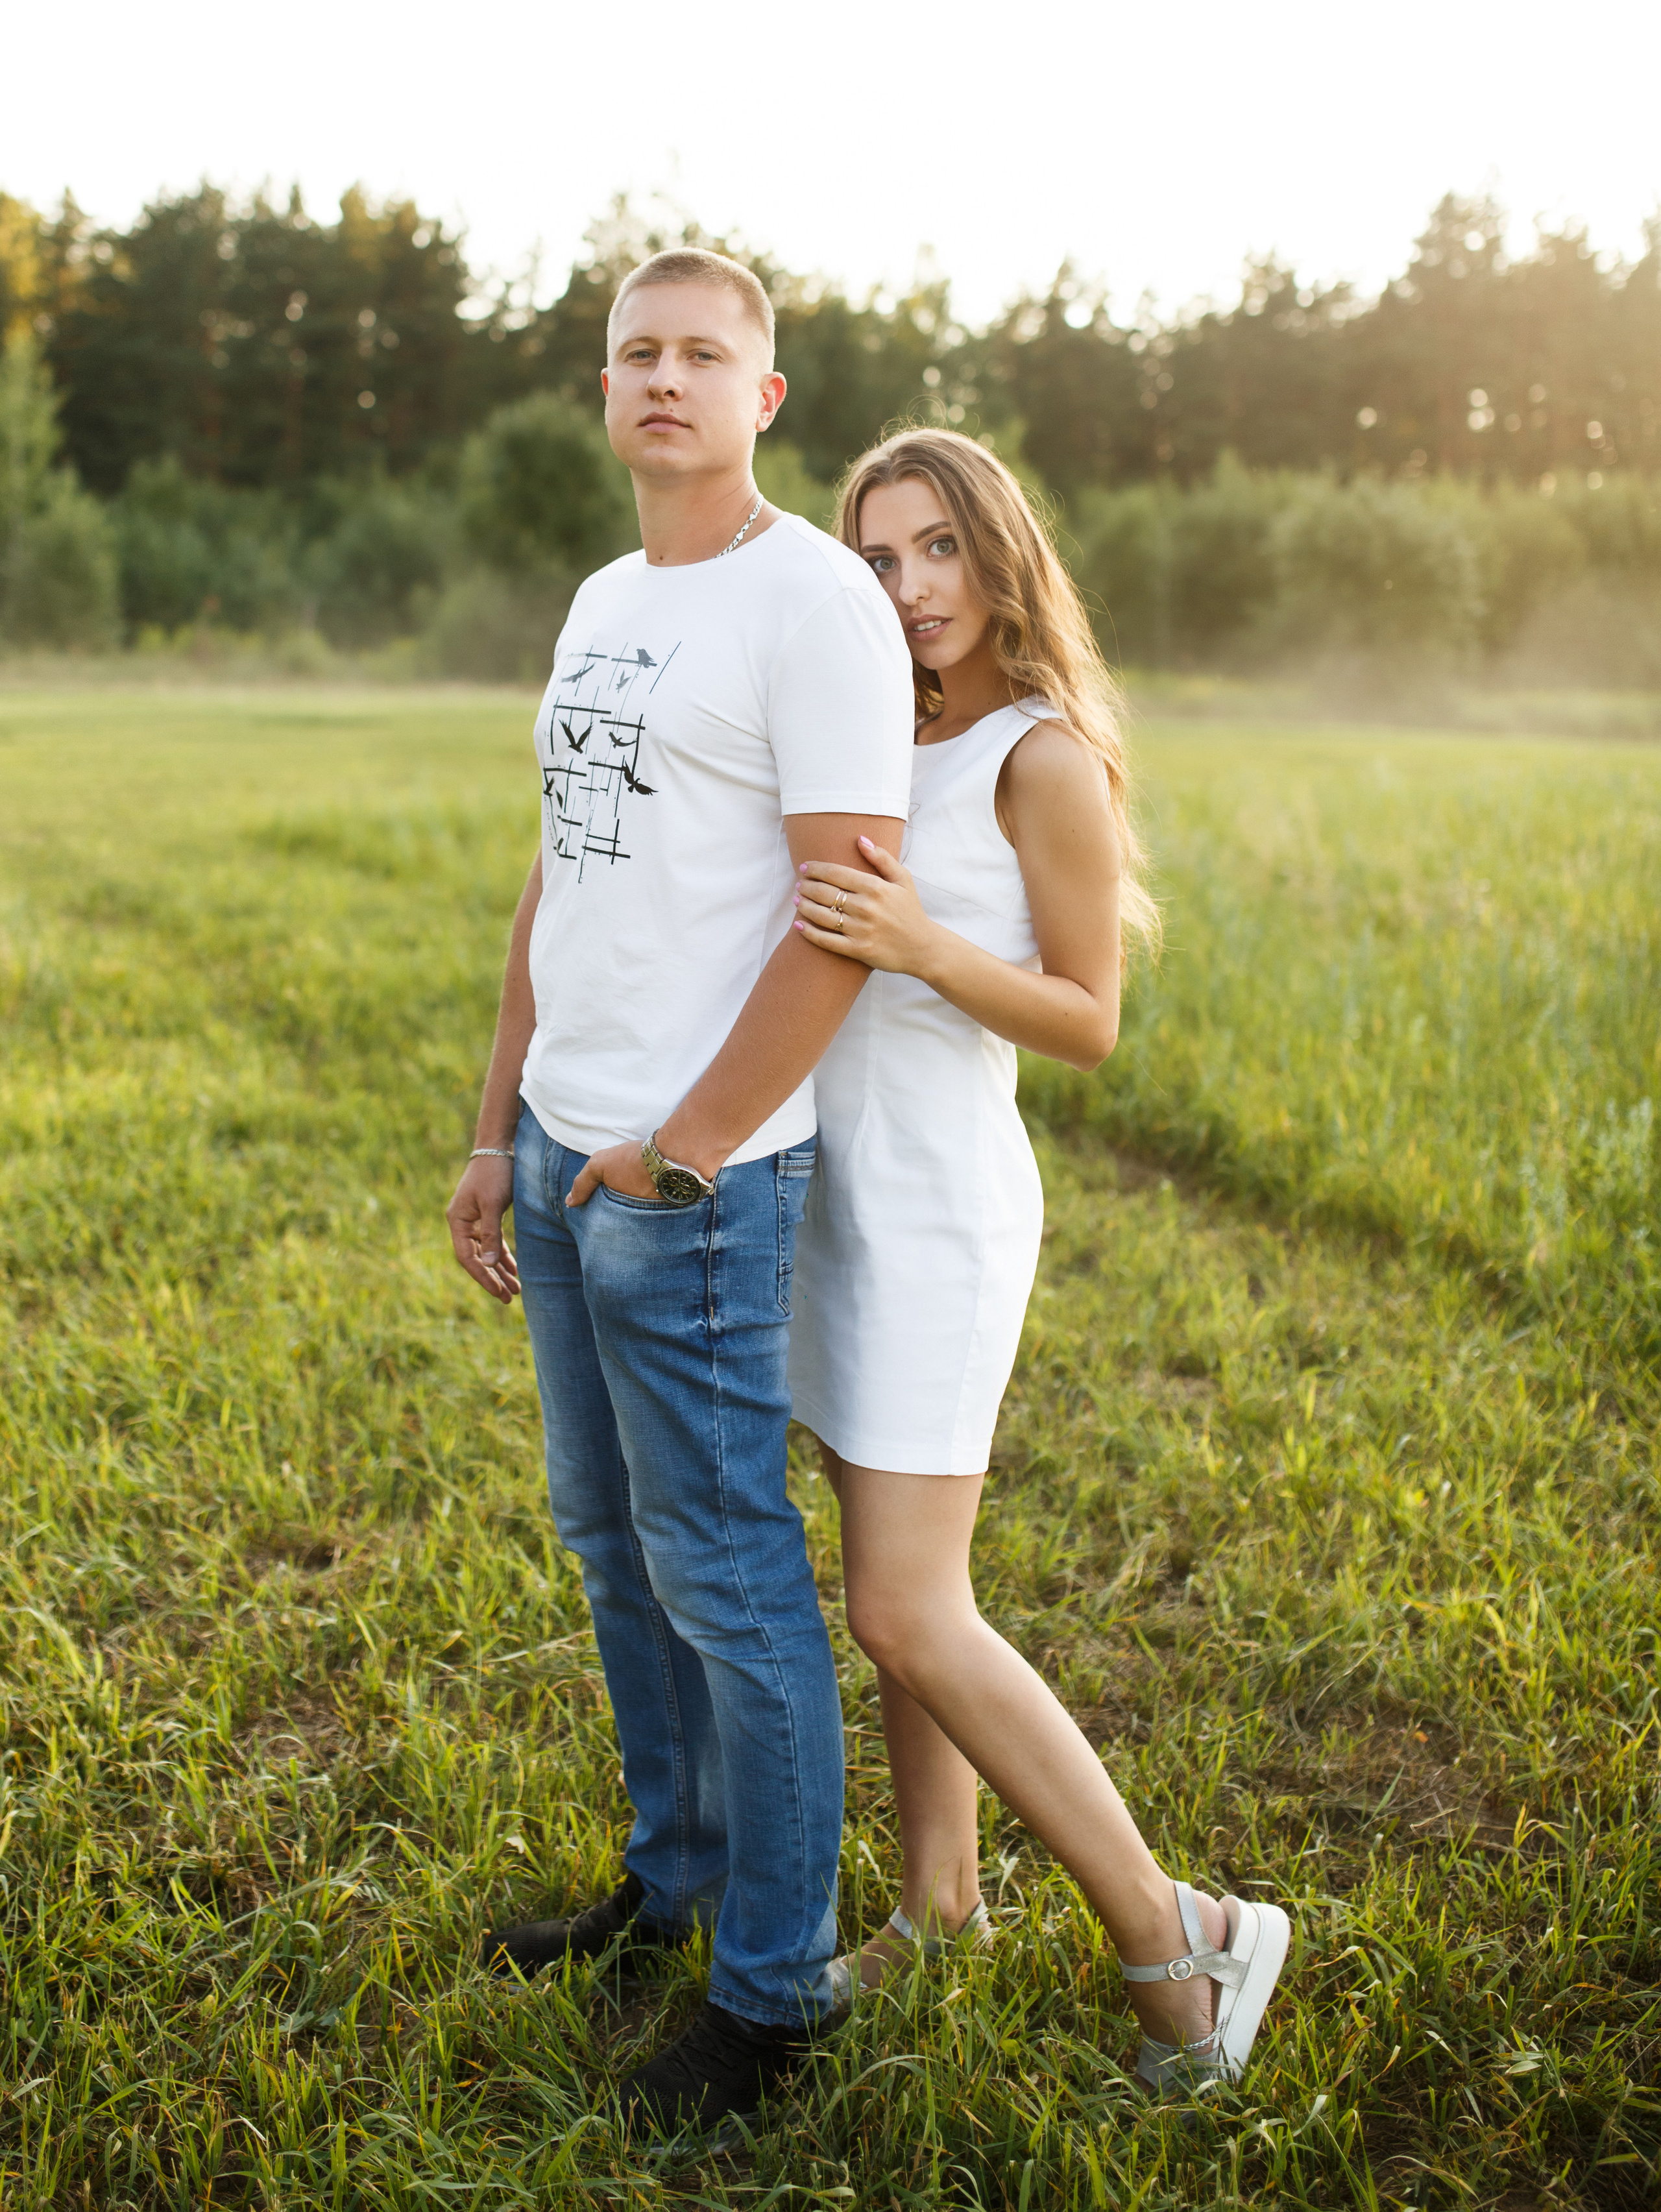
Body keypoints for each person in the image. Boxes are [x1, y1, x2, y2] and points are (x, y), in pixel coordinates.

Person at [443, 249, 914, 2132]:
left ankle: (774, 1993)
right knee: (614, 1548)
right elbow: (558, 881)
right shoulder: (602, 595)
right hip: (566, 1153)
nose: (665, 378)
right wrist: (504, 1131)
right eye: (637, 351)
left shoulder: (815, 606)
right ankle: (680, 1874)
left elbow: (846, 919)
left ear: (764, 397)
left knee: (726, 1572)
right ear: (606, 384)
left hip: (696, 1183)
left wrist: (688, 1145)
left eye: (703, 355)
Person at [786, 428, 1290, 2093]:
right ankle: (938, 1907)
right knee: (899, 1610)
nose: (908, 588)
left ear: (999, 559)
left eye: (937, 550)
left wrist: (923, 944)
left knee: (907, 1605)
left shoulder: (1036, 757)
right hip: (834, 1201)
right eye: (876, 558)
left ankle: (1184, 1938)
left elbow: (1089, 1021)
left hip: (937, 1217)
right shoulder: (879, 733)